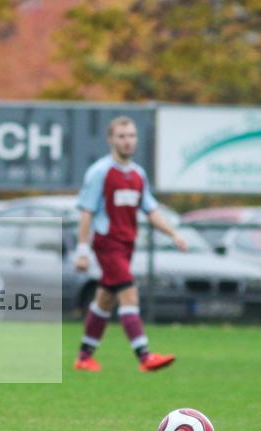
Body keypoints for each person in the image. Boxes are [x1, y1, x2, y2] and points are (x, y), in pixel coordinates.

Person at [73, 116, 186, 373]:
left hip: (126, 245)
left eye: (131, 136)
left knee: (104, 299)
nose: (127, 141)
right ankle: (144, 356)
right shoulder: (100, 172)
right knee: (129, 292)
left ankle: (84, 356)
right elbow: (87, 213)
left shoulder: (138, 174)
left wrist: (174, 234)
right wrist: (82, 250)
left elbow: (151, 210)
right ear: (111, 140)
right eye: (122, 136)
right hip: (107, 244)